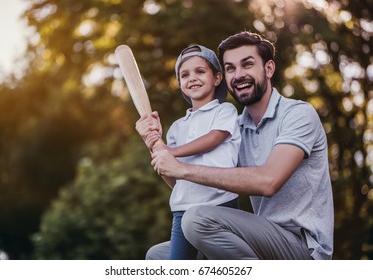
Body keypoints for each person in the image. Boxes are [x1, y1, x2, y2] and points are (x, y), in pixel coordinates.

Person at [136, 31, 334, 260]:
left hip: (302, 250)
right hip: (256, 239)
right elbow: (191, 186)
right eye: (230, 68)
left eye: (247, 64)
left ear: (269, 69)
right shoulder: (236, 128)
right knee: (158, 257)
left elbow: (268, 182)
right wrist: (155, 145)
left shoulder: (298, 114)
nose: (238, 75)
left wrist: (182, 167)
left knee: (196, 219)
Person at [142, 44, 241, 259]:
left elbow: (214, 138)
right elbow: (174, 176)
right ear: (179, 84)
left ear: (216, 78)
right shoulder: (177, 127)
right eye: (184, 75)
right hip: (183, 207)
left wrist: (170, 151)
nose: (192, 78)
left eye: (200, 71)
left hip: (220, 203)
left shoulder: (225, 111)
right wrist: (154, 145)